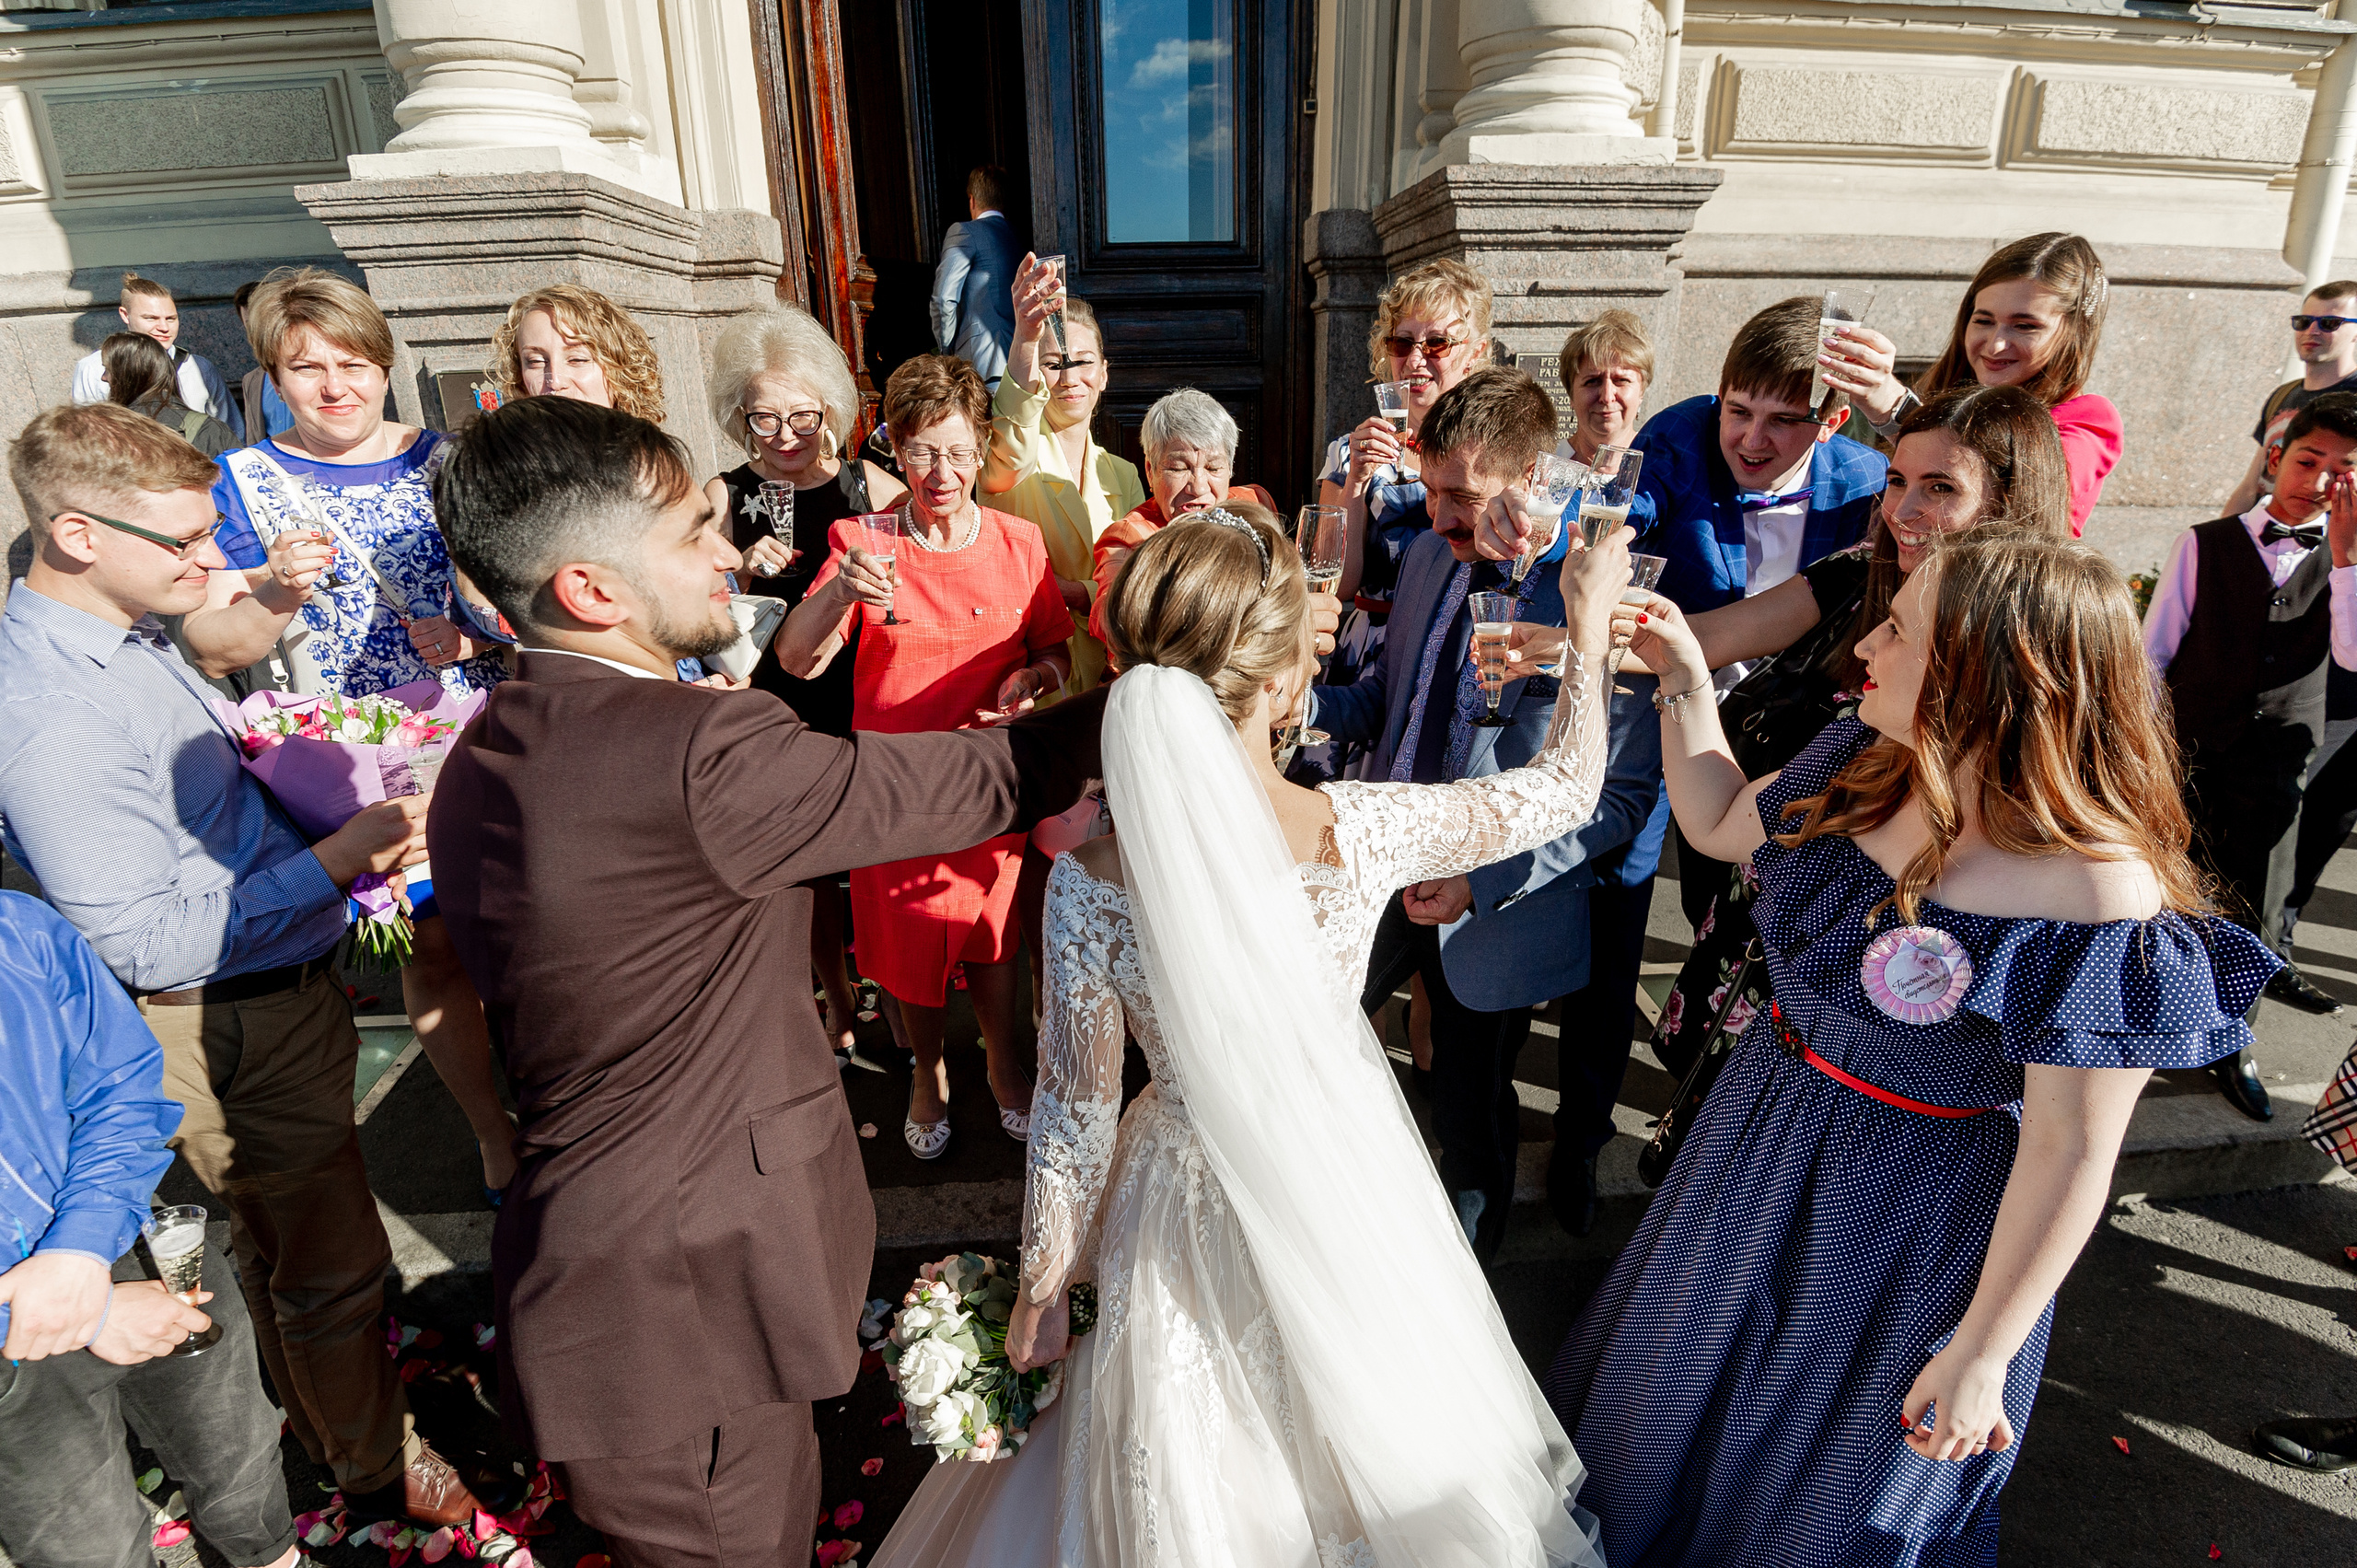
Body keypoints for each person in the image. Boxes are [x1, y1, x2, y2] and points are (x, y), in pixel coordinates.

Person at [870, 502, 1627, 1568]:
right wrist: (1585, 625)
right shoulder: (1358, 827)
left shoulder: (1088, 881)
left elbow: (1075, 1115)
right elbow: (1567, 788)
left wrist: (1043, 1288)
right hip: (1342, 1165)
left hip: (1173, 1183)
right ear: (1279, 685)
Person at [424, 393, 1103, 1568]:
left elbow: (713, 787)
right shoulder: (697, 758)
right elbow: (980, 776)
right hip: (689, 1305)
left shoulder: (486, 752)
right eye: (694, 530)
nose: (730, 549)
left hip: (611, 1274)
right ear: (594, 590)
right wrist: (1172, 690)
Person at [1548, 528, 2270, 1565]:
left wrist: (1982, 1349)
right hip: (1752, 1152)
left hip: (1906, 1223)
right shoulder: (1866, 759)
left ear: (1986, 674)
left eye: (1897, 629)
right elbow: (1712, 818)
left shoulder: (2099, 891)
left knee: (1812, 1488)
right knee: (1666, 1422)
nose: (1863, 646)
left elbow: (2069, 1150)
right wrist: (1684, 679)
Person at [0, 402, 481, 1528]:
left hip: (259, 996)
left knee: (276, 1250)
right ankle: (369, 1464)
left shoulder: (114, 626)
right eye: (184, 541)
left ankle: (318, 1427)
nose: (213, 557)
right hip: (214, 1015)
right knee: (324, 1261)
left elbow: (216, 672)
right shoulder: (54, 715)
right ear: (76, 533)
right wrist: (333, 859)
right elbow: (143, 939)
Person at [178, 267, 518, 1204]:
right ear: (271, 381)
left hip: (484, 736)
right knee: (438, 949)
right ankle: (491, 1133)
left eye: (354, 362)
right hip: (359, 769)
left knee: (534, 932)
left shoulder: (452, 460)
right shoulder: (240, 484)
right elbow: (214, 643)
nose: (336, 386)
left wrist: (481, 624)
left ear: (384, 362)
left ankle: (561, 1104)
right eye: (307, 368)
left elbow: (525, 596)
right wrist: (277, 592)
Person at [1311, 366, 1662, 1260]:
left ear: (1533, 482)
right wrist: (1294, 707)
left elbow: (1618, 797)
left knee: (1471, 1111)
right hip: (1382, 859)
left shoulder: (1592, 596)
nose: (1435, 517)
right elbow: (1388, 697)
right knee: (1310, 1027)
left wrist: (1481, 876)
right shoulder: (1431, 552)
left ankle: (1469, 1275)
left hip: (1491, 906)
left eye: (1459, 496)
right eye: (1428, 491)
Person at [1629, 386, 2072, 1090]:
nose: (1903, 511)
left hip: (1878, 1033)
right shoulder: (1861, 588)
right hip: (1761, 951)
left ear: (2008, 506)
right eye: (1896, 480)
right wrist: (1573, 635)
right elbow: (1703, 665)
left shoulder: (2034, 701)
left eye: (1939, 487)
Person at [779, 354, 1074, 1159]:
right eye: (919, 452)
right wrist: (839, 592)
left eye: (955, 451)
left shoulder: (1020, 544)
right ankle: (927, 1071)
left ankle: (1003, 1062)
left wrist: (1035, 676)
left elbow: (1056, 647)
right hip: (894, 792)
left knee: (993, 934)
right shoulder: (862, 541)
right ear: (895, 453)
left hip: (992, 780)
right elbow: (797, 660)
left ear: (982, 448)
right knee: (908, 948)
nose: (939, 473)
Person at [0, 890, 307, 1568]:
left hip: (126, 1236)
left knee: (237, 1447)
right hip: (18, 1336)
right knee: (86, 1547)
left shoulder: (16, 927)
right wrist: (86, 1306)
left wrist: (81, 1247)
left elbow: (121, 1079)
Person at [2143, 392, 2357, 1120]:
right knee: (2168, 894)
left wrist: (2350, 560)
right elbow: (2153, 652)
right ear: (2275, 458)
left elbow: (2352, 654)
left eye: (2345, 471)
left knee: (2257, 912)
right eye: (2309, 460)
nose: (2323, 481)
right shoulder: (2204, 540)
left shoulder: (2347, 561)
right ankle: (2149, 1026)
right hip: (2189, 748)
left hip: (2276, 763)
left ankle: (2232, 1042)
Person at [704, 299, 909, 1051]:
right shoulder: (723, 495)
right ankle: (834, 989)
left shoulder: (874, 487)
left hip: (864, 693)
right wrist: (730, 575)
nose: (786, 437)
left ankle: (893, 985)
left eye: (803, 416)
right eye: (765, 419)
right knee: (808, 868)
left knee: (879, 854)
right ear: (739, 413)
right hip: (774, 704)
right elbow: (683, 604)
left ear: (832, 406)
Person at [1819, 232, 2119, 535]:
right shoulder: (1944, 394)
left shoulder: (2086, 419)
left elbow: (2017, 497)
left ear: (2074, 332)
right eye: (1984, 321)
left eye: (2025, 326)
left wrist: (1894, 407)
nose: (1996, 344)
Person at [983, 252, 1145, 697]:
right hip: (1025, 675)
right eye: (1054, 363)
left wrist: (1078, 592)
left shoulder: (1124, 473)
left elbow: (1136, 574)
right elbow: (1012, 435)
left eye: (1083, 361)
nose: (1070, 377)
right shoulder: (1012, 456)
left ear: (1105, 375)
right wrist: (1025, 338)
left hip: (1106, 675)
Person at [1086, 388, 1279, 646]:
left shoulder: (1255, 504)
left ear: (1231, 468)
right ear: (1150, 470)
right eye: (1178, 468)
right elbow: (1113, 620)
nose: (1198, 487)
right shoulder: (1129, 539)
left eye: (1213, 468)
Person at [2225, 280, 2357, 517]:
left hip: (2326, 547)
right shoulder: (2283, 394)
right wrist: (2214, 545)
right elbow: (2251, 485)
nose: (2311, 331)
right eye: (2303, 322)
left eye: (2329, 323)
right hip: (2264, 538)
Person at [70, 272, 244, 441]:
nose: (164, 327)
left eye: (171, 318)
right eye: (151, 318)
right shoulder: (94, 368)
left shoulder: (200, 368)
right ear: (125, 315)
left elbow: (232, 433)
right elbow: (87, 439)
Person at [490, 283, 668, 422]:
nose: (555, 382)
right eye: (536, 361)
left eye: (577, 360)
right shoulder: (502, 464)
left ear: (622, 369)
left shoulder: (651, 462)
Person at [931, 165, 1022, 389]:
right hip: (1023, 365)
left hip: (983, 367)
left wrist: (946, 352)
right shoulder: (1019, 238)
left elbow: (944, 299)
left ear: (972, 200)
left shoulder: (964, 232)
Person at [100, 331, 238, 458]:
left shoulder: (108, 433)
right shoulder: (213, 430)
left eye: (108, 370)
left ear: (127, 375)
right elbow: (244, 479)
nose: (103, 377)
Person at [1559, 307, 1653, 466]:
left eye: (1621, 380)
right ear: (1571, 394)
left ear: (1641, 390)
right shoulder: (1537, 470)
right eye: (1592, 381)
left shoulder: (1662, 471)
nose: (1607, 397)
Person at [233, 280, 296, 442]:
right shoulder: (252, 381)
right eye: (249, 324)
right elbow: (254, 437)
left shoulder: (309, 370)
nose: (257, 330)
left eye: (262, 322)